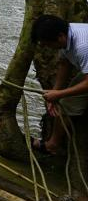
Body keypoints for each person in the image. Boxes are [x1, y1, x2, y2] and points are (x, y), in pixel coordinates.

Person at [30, 14, 88, 155]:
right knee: (65, 99)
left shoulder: (82, 46)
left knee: (67, 102)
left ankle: (52, 145)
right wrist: (56, 92)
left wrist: (60, 94)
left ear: (60, 36)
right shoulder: (68, 34)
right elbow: (65, 64)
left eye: (48, 44)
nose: (48, 48)